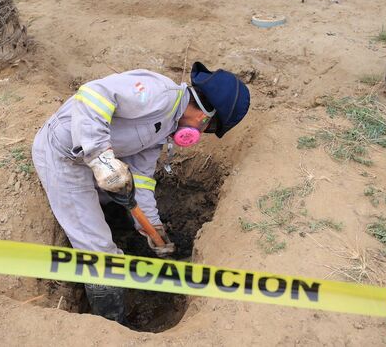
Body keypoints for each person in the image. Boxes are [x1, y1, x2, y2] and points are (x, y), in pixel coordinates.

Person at [31, 62, 250, 323]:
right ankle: (110, 324)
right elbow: (93, 94)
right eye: (209, 129)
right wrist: (100, 156)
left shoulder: (165, 129)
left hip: (93, 162)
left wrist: (151, 226)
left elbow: (142, 180)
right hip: (64, 155)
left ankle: (115, 227)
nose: (202, 134)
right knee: (99, 253)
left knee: (113, 205)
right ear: (205, 117)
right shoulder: (157, 94)